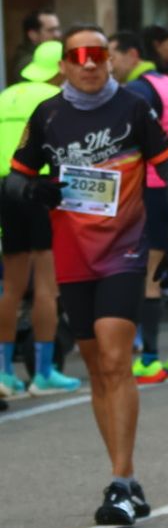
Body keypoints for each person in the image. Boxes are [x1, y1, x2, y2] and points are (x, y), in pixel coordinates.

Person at [8, 25, 168, 526]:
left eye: (98, 55)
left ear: (111, 60)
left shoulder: (133, 108)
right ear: (64, 65)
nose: (89, 63)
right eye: (78, 56)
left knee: (115, 356)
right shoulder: (48, 114)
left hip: (124, 250)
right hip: (72, 256)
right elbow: (15, 180)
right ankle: (127, 485)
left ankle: (119, 478)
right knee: (95, 367)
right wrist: (38, 191)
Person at [110, 32, 168, 382]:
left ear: (131, 54)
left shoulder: (137, 90)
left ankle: (149, 359)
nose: (109, 65)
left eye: (112, 56)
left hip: (155, 183)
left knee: (151, 266)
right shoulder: (167, 83)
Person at [0, 40, 77, 397]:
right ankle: (43, 373)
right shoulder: (54, 101)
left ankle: (4, 374)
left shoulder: (8, 95)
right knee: (47, 283)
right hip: (38, 189)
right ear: (61, 69)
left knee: (11, 286)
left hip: (5, 189)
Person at [9, 9, 59, 85]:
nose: (57, 35)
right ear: (33, 34)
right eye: (51, 30)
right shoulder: (26, 63)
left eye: (57, 29)